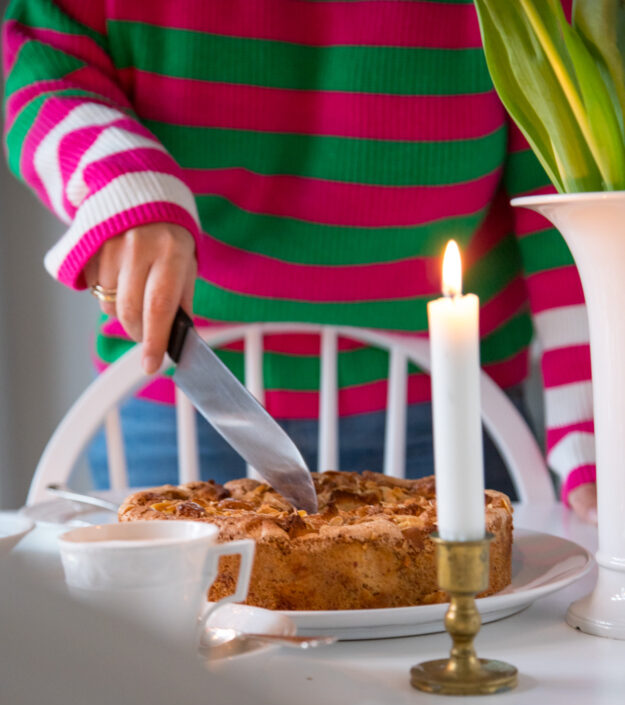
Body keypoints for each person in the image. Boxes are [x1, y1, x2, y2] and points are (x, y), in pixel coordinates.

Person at [2, 0, 596, 521]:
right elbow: (41, 55)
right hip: (183, 400)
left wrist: (596, 440)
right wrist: (120, 181)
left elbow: (563, 198)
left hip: (453, 412)